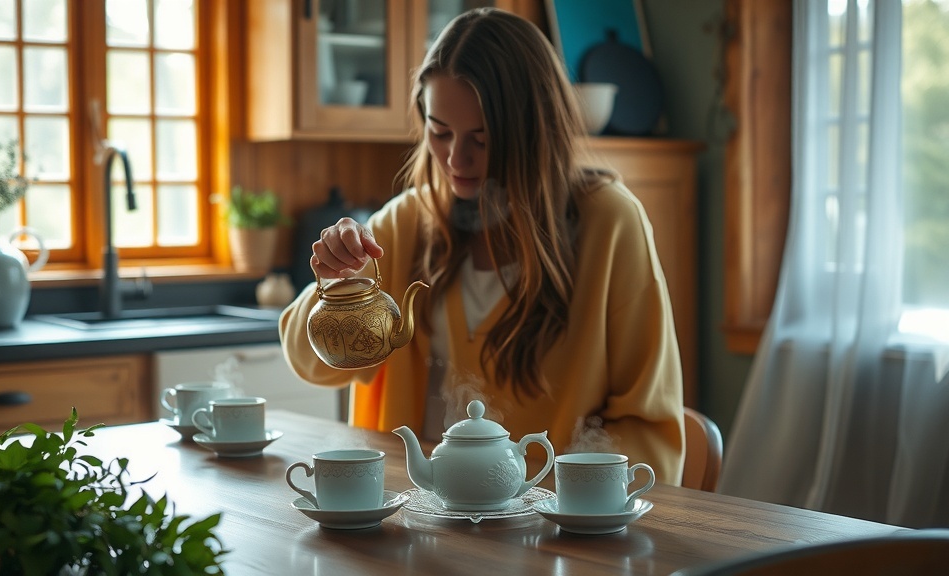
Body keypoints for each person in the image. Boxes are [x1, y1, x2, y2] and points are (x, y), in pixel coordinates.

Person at [279, 7, 685, 484]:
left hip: (549, 534)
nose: (456, 160)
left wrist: (547, 500)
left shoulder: (609, 224)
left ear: (535, 134)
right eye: (439, 132)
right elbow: (310, 364)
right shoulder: (407, 223)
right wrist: (337, 290)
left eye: (482, 138)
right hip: (411, 518)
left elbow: (649, 433)